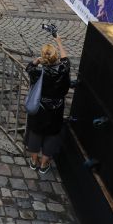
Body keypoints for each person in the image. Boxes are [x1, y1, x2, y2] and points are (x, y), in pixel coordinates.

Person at [25, 36, 71, 176]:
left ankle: (34, 161)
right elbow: (66, 60)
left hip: (40, 108)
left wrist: (37, 61)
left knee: (35, 132)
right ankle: (44, 164)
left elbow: (29, 67)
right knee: (52, 135)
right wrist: (58, 41)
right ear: (55, 57)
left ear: (43, 58)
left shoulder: (38, 73)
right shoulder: (63, 70)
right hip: (56, 110)